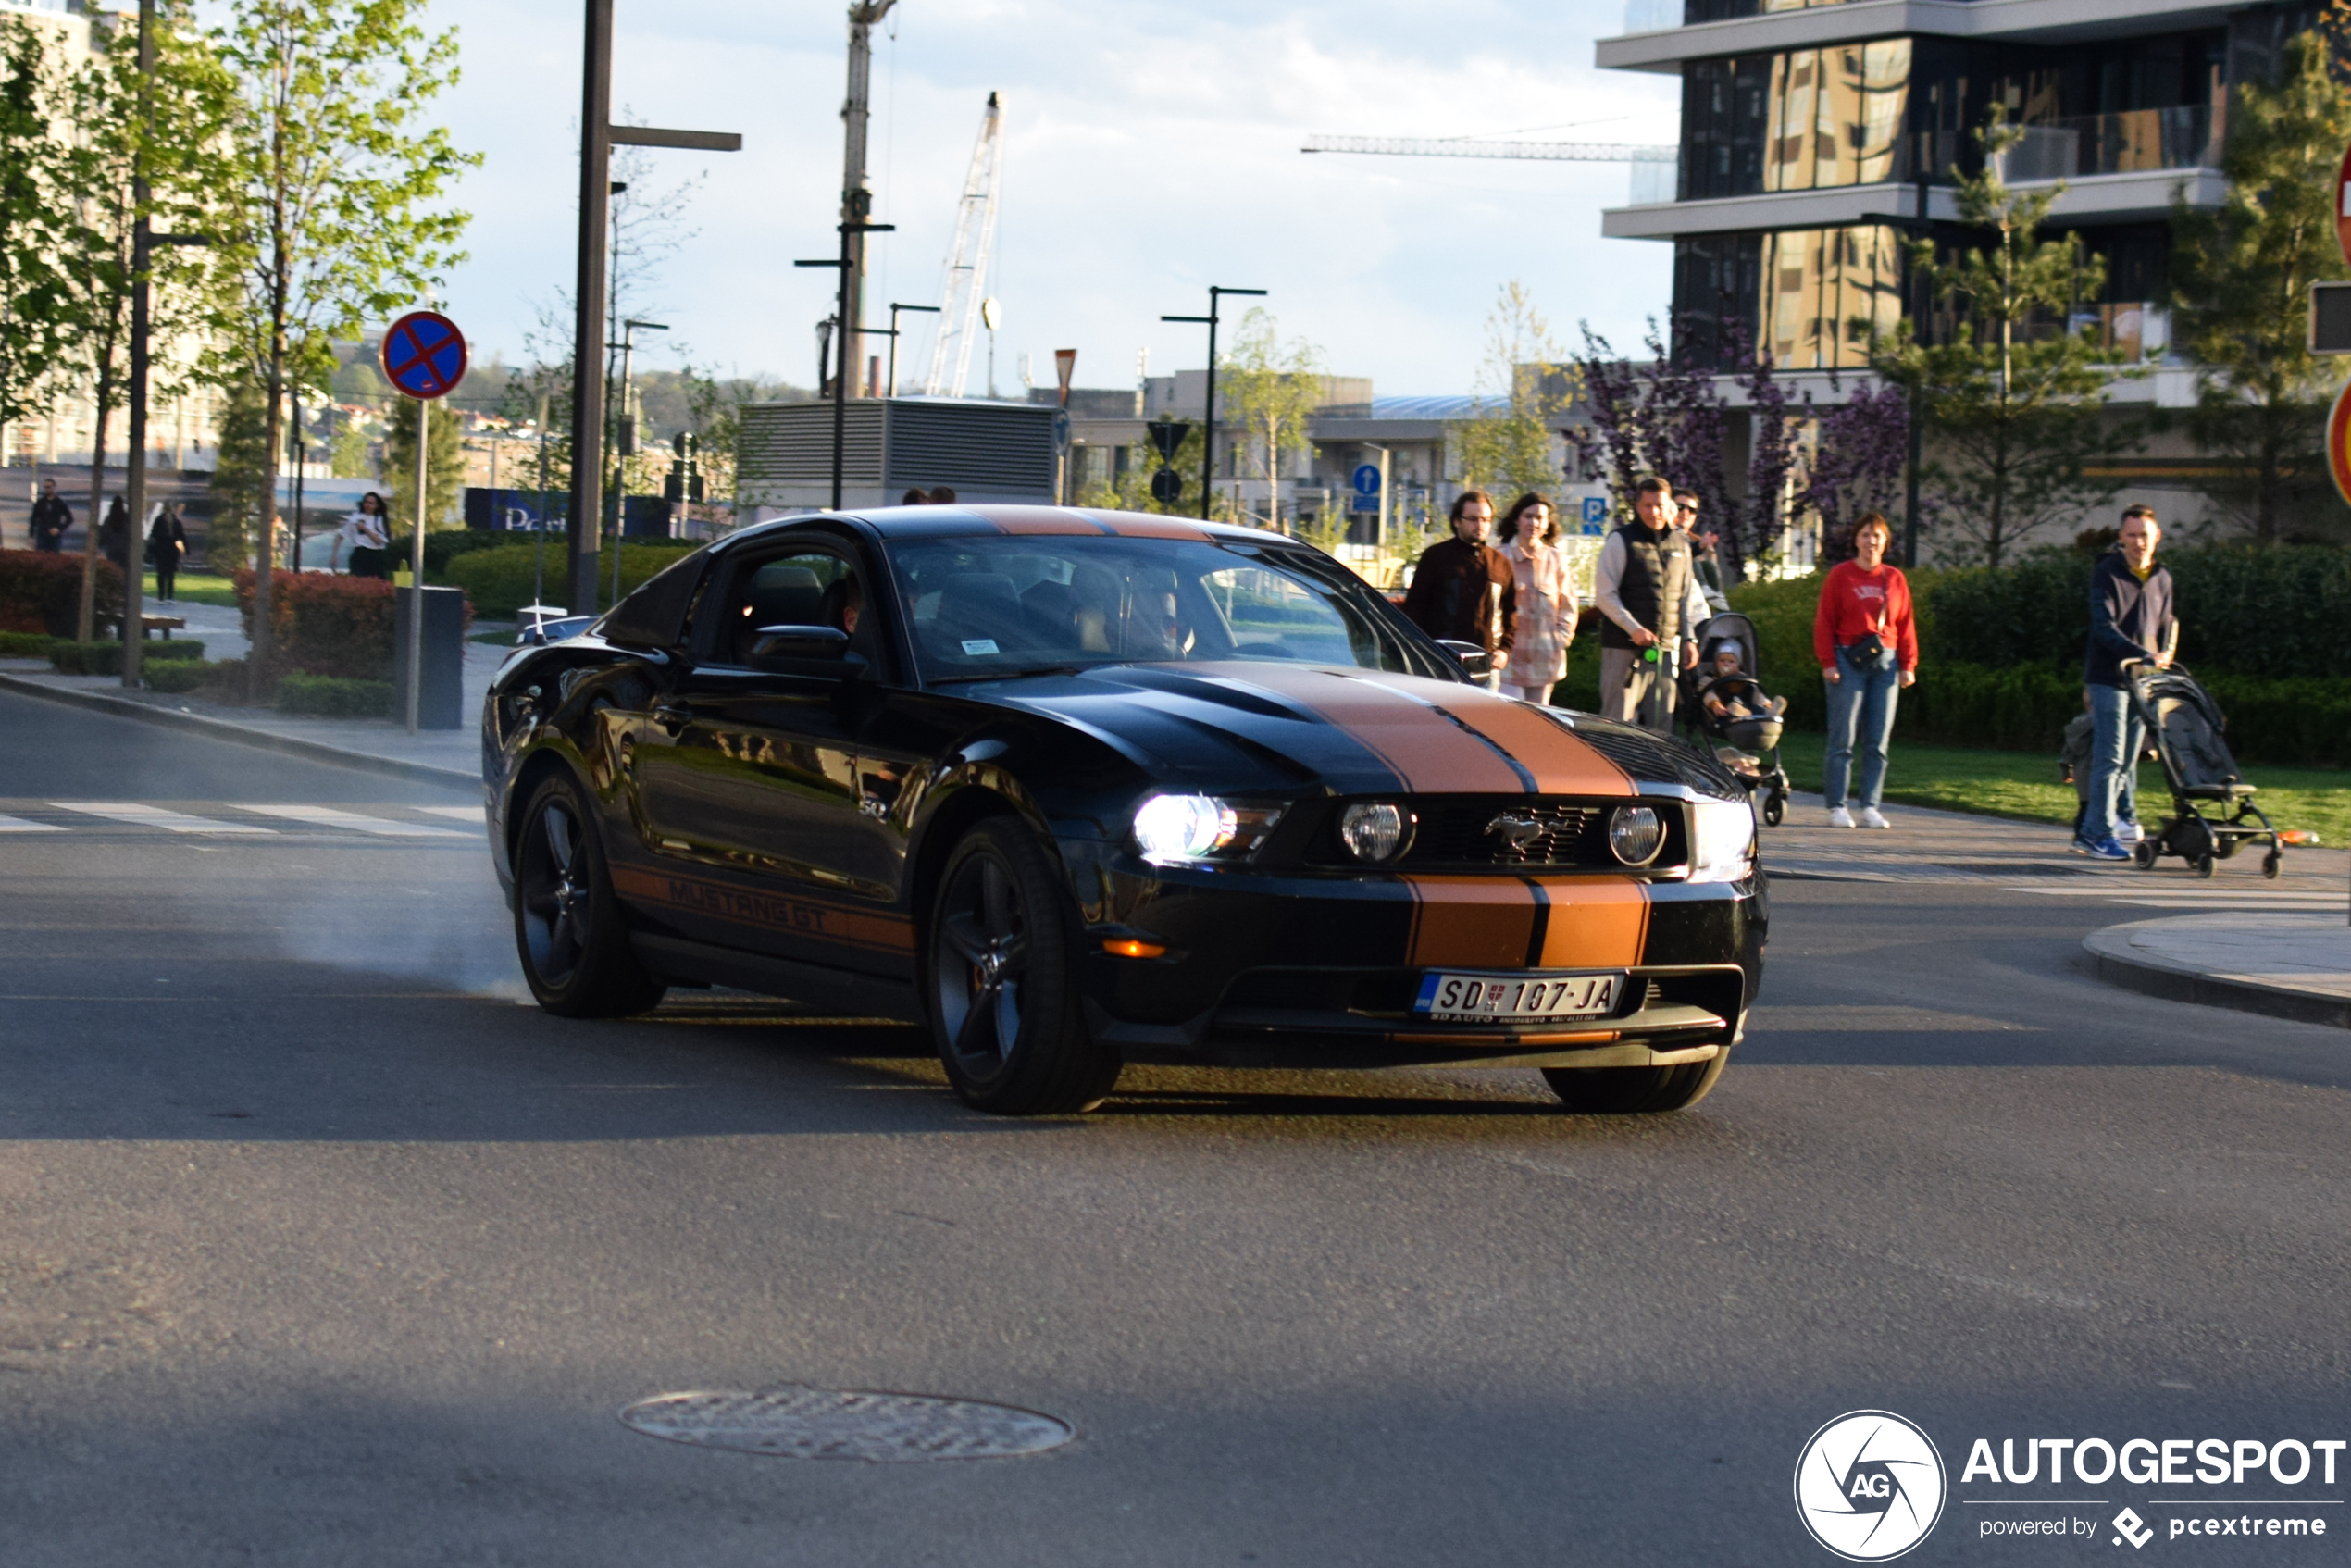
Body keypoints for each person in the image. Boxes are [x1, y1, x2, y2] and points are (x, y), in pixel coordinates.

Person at [2078, 504, 2175, 860]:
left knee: (2127, 760)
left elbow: (2165, 625)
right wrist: (2140, 653)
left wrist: (2161, 656)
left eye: (2145, 536)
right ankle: (2096, 833)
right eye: (2132, 535)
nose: (2139, 542)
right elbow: (2104, 627)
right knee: (2110, 757)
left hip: (2144, 682)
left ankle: (2101, 825)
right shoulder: (2107, 572)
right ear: (2121, 537)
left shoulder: (2162, 577)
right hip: (2109, 678)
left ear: (2157, 537)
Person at [1811, 511, 1918, 828]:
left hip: (1886, 660)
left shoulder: (1895, 578)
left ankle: (1870, 805)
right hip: (1847, 658)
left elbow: (1906, 623)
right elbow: (1824, 621)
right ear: (1856, 540)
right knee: (1843, 737)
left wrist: (1908, 664)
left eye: (1877, 536)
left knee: (1878, 739)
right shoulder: (1841, 576)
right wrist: (1828, 662)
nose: (1871, 541)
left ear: (1885, 541)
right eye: (1865, 535)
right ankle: (1837, 805)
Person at [1593, 476, 1708, 732]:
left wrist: (1689, 639)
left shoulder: (1682, 545)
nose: (1654, 512)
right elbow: (1604, 595)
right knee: (1616, 724)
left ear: (1670, 507)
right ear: (1637, 506)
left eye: (1660, 505)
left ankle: (1652, 773)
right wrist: (1632, 627)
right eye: (1647, 505)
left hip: (1665, 651)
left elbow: (1686, 596)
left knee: (1661, 727)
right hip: (1624, 650)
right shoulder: (1621, 540)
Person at [1400, 490, 1514, 690]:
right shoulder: (1436, 557)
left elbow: (1511, 612)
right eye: (1473, 519)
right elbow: (1415, 607)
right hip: (1442, 662)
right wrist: (1421, 650)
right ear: (1457, 521)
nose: (1480, 525)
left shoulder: (1500, 564)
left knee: (1482, 721)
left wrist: (1505, 649)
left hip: (1485, 667)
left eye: (1486, 520)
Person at [1495, 492, 1575, 704]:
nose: (1534, 523)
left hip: (1544, 661)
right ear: (1516, 519)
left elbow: (1568, 606)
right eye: (1528, 516)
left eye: (1540, 518)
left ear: (1548, 524)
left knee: (1539, 725)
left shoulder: (1556, 559)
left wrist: (1560, 640)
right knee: (1509, 722)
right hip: (1508, 662)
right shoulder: (1499, 557)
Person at [1698, 643, 1786, 723]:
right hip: (1724, 711)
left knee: (1753, 688)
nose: (1726, 664)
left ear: (1738, 665)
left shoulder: (1742, 678)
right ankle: (1740, 712)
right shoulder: (1710, 678)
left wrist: (1765, 702)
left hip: (1748, 707)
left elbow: (1755, 692)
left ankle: (1769, 710)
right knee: (1732, 707)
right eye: (1722, 661)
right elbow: (1708, 693)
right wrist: (1715, 704)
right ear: (1716, 663)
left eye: (1731, 662)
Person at [335, 492, 390, 579]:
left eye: (371, 503)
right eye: (366, 502)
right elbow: (341, 535)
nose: (367, 505)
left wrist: (366, 530)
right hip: (360, 554)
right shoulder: (355, 518)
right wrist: (334, 555)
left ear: (377, 506)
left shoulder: (379, 520)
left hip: (375, 556)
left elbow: (379, 542)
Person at [146, 502, 187, 601]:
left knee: (161, 573)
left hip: (160, 550)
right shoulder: (176, 521)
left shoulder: (159, 520)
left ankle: (161, 595)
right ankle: (170, 595)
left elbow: (153, 535)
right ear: (171, 509)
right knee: (171, 574)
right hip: (172, 551)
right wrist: (186, 550)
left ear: (164, 509)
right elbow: (181, 536)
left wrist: (150, 551)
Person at [30, 479, 70, 553]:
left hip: (54, 538)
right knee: (40, 557)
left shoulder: (59, 503)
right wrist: (31, 535)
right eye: (45, 487)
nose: (47, 489)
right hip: (42, 536)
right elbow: (33, 519)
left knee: (54, 558)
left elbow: (69, 519)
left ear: (54, 487)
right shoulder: (40, 503)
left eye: (49, 487)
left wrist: (59, 529)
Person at [96, 495, 131, 575]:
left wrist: (100, 543)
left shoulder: (109, 519)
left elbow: (104, 533)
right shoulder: (127, 519)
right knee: (124, 572)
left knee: (113, 571)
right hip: (124, 550)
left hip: (112, 549)